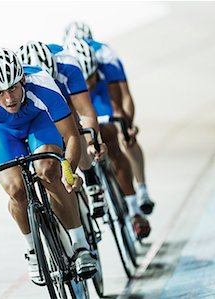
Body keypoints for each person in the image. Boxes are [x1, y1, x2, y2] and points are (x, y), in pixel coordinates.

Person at [0, 48, 97, 284]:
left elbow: (73, 136)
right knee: (16, 191)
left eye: (13, 88)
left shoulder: (43, 84)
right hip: (3, 133)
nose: (9, 99)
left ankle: (80, 245)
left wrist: (69, 171)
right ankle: (33, 251)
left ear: (23, 79)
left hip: (40, 122)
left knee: (48, 171)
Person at [61, 38, 151, 239]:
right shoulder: (66, 72)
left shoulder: (107, 60)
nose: (88, 83)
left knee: (112, 138)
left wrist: (126, 127)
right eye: (84, 79)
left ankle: (134, 209)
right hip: (74, 96)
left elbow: (121, 102)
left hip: (101, 96)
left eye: (91, 76)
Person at [17, 40, 108, 217]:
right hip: (37, 107)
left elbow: (86, 111)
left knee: (72, 123)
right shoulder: (18, 77)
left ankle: (90, 177)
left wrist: (92, 141)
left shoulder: (68, 65)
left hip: (66, 99)